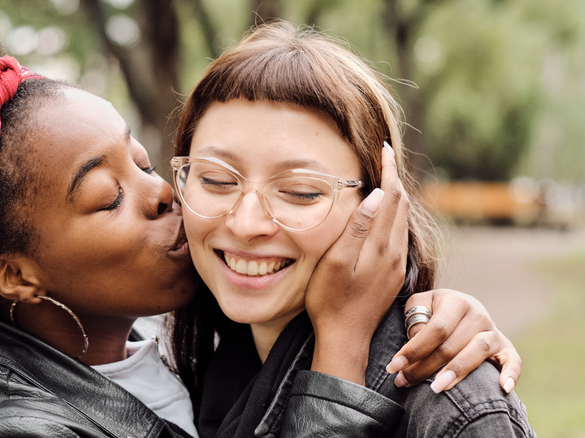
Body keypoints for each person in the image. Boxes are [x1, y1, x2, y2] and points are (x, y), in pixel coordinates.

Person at [0, 6, 523, 437]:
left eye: (145, 163)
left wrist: (430, 308)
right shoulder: (3, 428)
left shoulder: (178, 341)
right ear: (18, 276)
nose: (164, 197)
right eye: (109, 197)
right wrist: (340, 348)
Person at [168, 21, 535, 437]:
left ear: (381, 207)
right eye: (216, 180)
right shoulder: (193, 373)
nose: (246, 223)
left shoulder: (455, 409)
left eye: (300, 191)